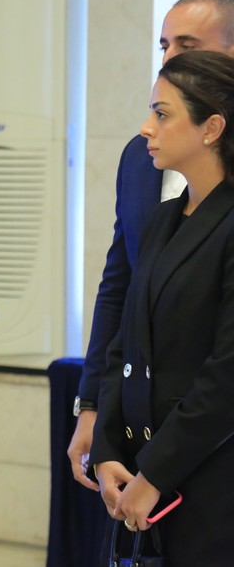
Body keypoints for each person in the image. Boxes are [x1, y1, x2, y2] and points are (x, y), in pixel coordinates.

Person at [68, 0, 234, 489]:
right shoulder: (140, 159)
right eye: (164, 45)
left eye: (187, 45)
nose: (169, 58)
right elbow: (120, 287)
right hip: (141, 417)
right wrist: (94, 407)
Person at [89, 49, 234, 563]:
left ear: (211, 128)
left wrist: (154, 474)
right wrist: (107, 449)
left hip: (208, 480)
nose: (146, 128)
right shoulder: (162, 219)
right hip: (140, 471)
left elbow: (226, 376)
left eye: (162, 114)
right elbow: (124, 346)